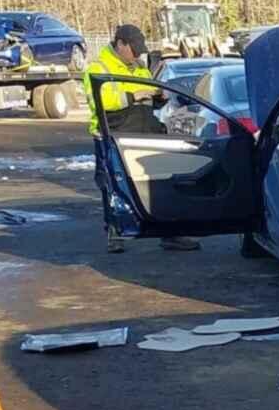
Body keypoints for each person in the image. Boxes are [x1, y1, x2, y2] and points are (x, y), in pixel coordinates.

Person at [84, 24, 198, 253]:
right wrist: (133, 95)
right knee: (114, 186)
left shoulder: (140, 68)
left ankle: (169, 234)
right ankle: (116, 233)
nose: (137, 54)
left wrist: (159, 98)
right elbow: (102, 101)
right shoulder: (99, 68)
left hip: (144, 133)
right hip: (113, 136)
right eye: (133, 49)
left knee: (160, 185)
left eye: (140, 50)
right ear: (120, 44)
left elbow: (147, 101)